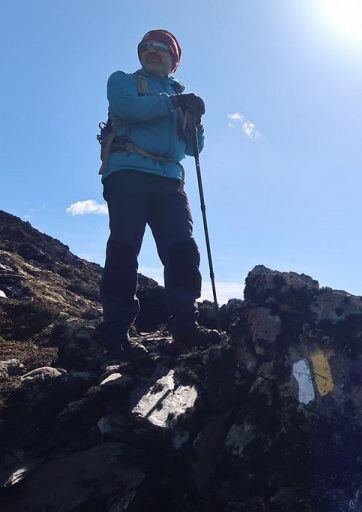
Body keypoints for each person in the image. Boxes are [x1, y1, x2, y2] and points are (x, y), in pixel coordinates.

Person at [96, 29, 219, 359]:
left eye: (162, 48)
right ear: (140, 54)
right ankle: (116, 330)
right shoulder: (123, 81)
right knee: (125, 249)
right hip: (129, 173)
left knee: (182, 251)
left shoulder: (179, 99)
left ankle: (185, 325)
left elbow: (194, 148)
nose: (154, 51)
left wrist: (196, 121)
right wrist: (177, 103)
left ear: (174, 61)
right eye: (148, 47)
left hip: (168, 181)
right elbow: (128, 109)